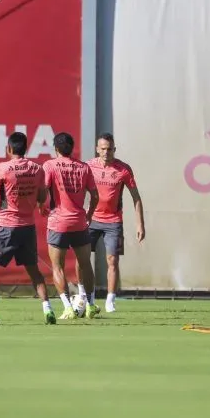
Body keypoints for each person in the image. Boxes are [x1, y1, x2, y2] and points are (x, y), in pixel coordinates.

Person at [0, 131, 54, 325]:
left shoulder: (3, 168)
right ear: (26, 148)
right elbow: (43, 198)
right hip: (28, 227)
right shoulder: (37, 168)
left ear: (8, 149)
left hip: (6, 226)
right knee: (34, 271)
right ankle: (47, 308)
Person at [82, 133, 145, 313]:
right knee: (83, 259)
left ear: (114, 150)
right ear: (97, 149)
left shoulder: (123, 169)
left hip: (113, 221)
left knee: (112, 260)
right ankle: (87, 297)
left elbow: (136, 198)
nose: (106, 152)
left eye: (109, 149)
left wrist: (140, 224)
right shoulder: (88, 166)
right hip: (91, 220)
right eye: (102, 149)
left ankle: (110, 299)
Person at [42, 132, 99, 320]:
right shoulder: (84, 167)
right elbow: (95, 196)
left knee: (57, 267)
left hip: (58, 221)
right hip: (79, 222)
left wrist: (40, 207)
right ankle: (90, 305)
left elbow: (43, 191)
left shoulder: (50, 165)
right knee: (85, 265)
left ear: (56, 148)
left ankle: (67, 307)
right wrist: (89, 215)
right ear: (72, 147)